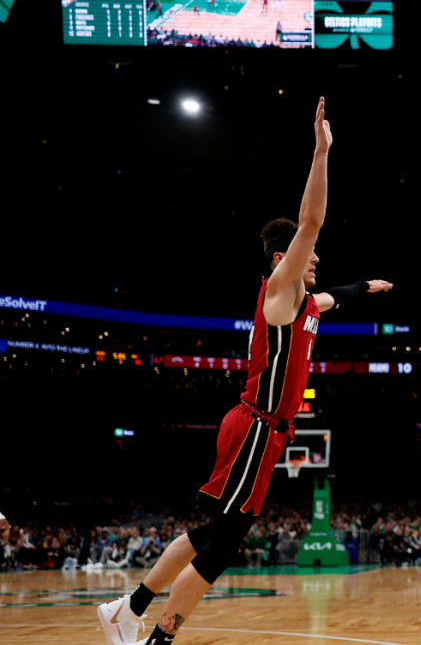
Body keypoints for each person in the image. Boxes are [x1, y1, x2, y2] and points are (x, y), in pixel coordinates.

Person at [96, 99, 392, 645]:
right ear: (283, 257)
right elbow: (312, 220)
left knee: (208, 531)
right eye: (309, 255)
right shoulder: (280, 292)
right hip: (256, 426)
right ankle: (156, 636)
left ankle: (126, 607)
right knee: (227, 543)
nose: (317, 259)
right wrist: (321, 152)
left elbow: (335, 295)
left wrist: (367, 288)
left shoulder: (306, 304)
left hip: (259, 430)